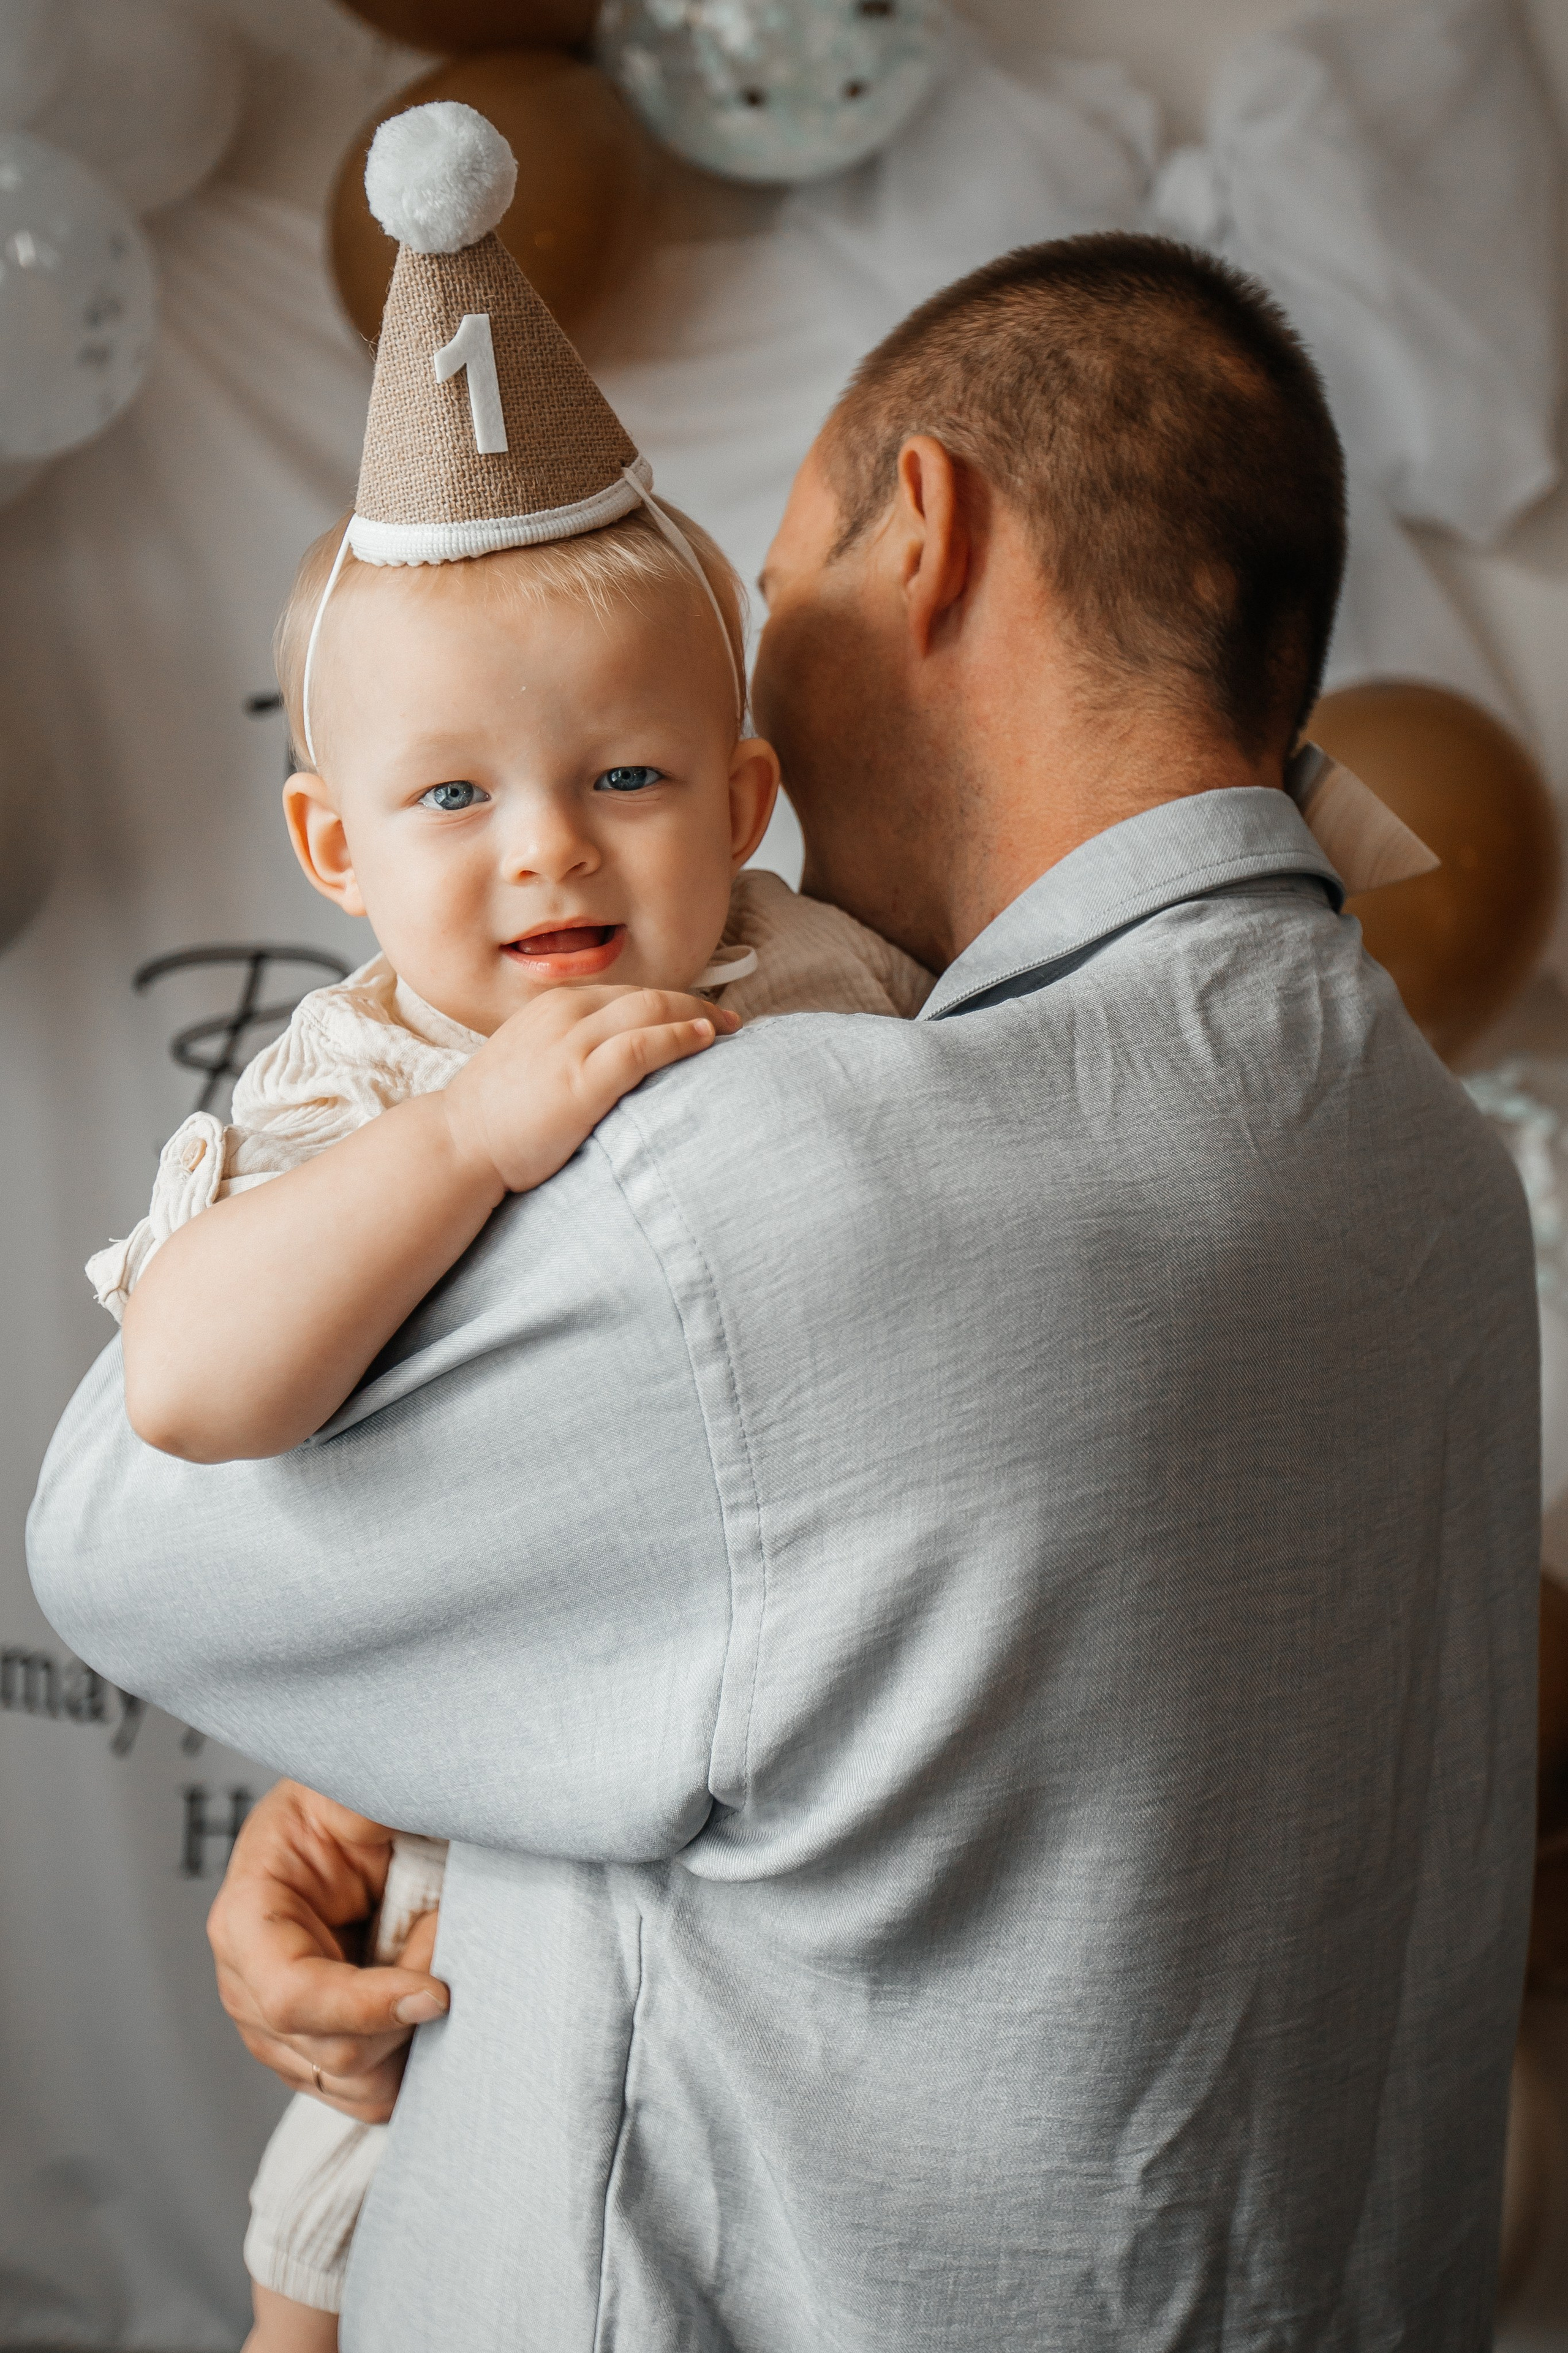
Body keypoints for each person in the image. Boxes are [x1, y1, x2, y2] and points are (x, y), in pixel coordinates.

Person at [29, 228, 1539, 2352]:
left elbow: (123, 1530)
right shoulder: (1438, 1173)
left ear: (922, 536)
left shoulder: (788, 1170)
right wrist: (383, 1769)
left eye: (779, 590)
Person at [80, 102, 933, 2353]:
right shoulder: (360, 1086)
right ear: (329, 842)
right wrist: (474, 1139)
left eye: (626, 777)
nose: (546, 850)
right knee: (335, 2241)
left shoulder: (826, 975)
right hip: (464, 1831)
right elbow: (190, 1381)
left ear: (744, 802)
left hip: (791, 1777)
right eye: (452, 797)